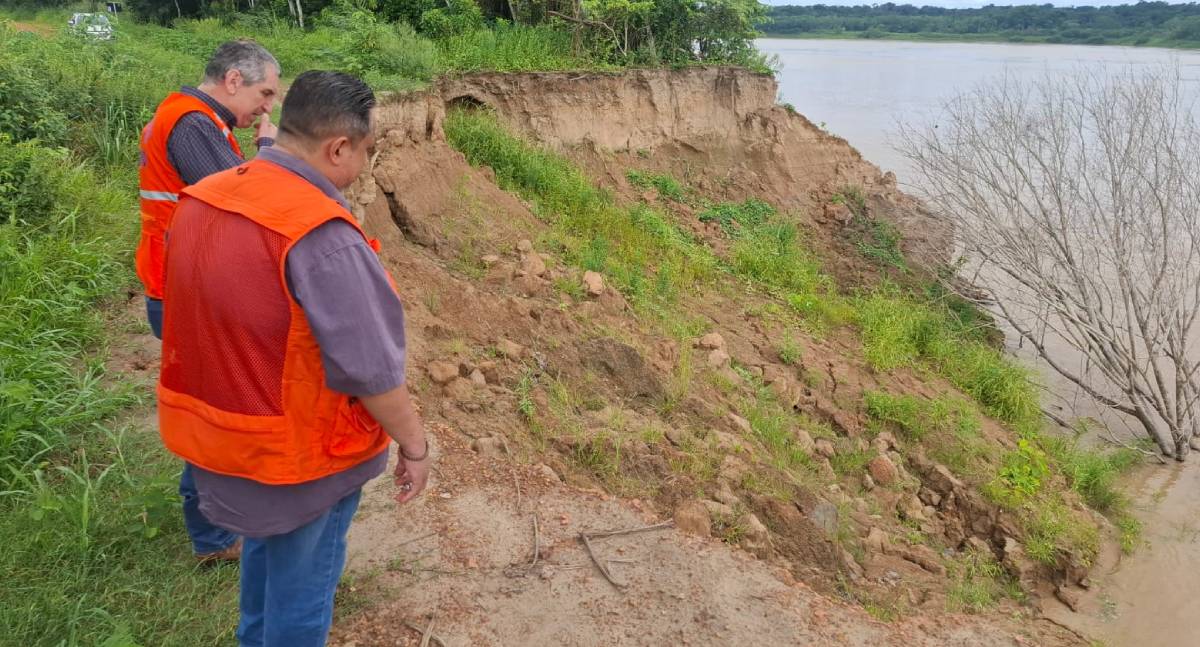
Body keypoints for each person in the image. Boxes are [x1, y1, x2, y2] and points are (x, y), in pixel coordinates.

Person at [157, 70, 430, 646]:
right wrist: (414, 446)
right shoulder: (321, 235)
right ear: (338, 147)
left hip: (225, 438)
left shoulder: (206, 196)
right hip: (301, 459)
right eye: (365, 151)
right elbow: (372, 372)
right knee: (301, 598)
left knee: (266, 560)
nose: (363, 166)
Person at [137, 40, 280, 562]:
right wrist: (269, 152)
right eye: (265, 93)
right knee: (212, 412)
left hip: (183, 281)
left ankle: (220, 525)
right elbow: (241, 204)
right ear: (234, 80)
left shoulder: (198, 121)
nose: (267, 106)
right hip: (185, 290)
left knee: (216, 405)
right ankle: (215, 537)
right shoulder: (192, 124)